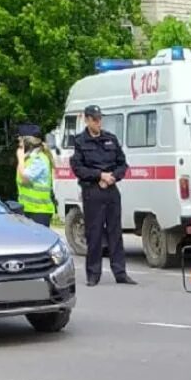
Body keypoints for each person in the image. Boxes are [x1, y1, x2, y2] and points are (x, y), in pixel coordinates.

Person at [70, 105, 136, 287]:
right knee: (94, 233)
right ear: (87, 120)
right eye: (95, 119)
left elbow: (123, 164)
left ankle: (120, 273)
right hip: (93, 191)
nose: (99, 122)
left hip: (111, 189)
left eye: (100, 119)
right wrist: (99, 176)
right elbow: (78, 168)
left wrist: (112, 177)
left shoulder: (110, 139)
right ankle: (93, 274)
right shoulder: (80, 141)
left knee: (115, 232)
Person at [15, 123, 56, 227]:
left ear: (27, 142)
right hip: (27, 209)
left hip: (39, 211)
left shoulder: (39, 159)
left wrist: (20, 158)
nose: (19, 144)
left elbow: (24, 178)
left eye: (20, 141)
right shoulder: (28, 158)